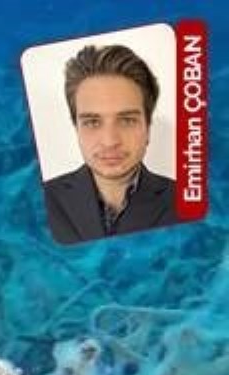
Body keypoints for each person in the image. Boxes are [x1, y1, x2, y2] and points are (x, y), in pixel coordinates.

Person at [42, 43, 177, 245]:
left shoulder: (190, 202)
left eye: (126, 120)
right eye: (93, 122)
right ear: (76, 127)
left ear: (148, 127)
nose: (110, 141)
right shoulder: (38, 201)